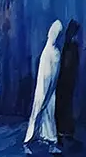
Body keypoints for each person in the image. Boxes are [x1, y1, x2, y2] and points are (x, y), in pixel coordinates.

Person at [25, 20, 65, 150]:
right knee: (38, 110)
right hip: (43, 88)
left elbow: (55, 73)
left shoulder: (56, 52)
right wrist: (45, 91)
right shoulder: (47, 53)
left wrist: (51, 89)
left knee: (49, 113)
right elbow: (44, 74)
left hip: (51, 89)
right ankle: (28, 140)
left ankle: (50, 140)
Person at [55, 19, 82, 144]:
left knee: (65, 105)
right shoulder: (69, 46)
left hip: (67, 80)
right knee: (63, 105)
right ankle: (63, 131)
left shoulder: (70, 45)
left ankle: (65, 131)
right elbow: (67, 64)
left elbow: (70, 64)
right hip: (65, 80)